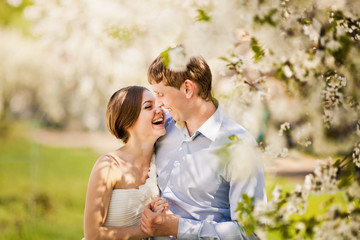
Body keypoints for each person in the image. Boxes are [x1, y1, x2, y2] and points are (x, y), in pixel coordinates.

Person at [140, 47, 267, 239]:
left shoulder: (238, 146)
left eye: (162, 94)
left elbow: (251, 232)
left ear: (187, 89)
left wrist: (178, 229)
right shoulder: (162, 125)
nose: (158, 104)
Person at [83, 86, 168, 240]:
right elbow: (93, 234)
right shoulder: (109, 166)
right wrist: (150, 229)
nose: (160, 110)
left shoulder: (161, 163)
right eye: (149, 106)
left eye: (159, 105)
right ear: (128, 120)